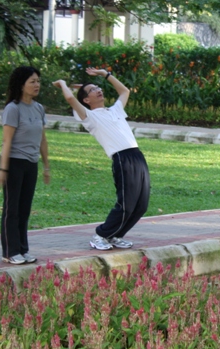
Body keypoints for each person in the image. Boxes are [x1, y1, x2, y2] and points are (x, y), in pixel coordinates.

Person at [52, 67, 150, 251]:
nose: (98, 89)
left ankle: (115, 235)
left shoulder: (115, 110)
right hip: (122, 158)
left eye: (98, 87)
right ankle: (101, 235)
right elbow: (71, 99)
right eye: (92, 90)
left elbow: (124, 91)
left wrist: (105, 74)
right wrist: (63, 84)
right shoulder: (89, 116)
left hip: (137, 155)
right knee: (126, 204)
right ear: (86, 100)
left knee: (141, 205)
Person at [0, 66, 50, 265]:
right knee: (12, 209)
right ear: (21, 84)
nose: (37, 85)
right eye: (32, 81)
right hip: (15, 163)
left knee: (24, 209)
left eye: (38, 81)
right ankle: (10, 251)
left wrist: (46, 166)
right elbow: (6, 141)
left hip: (31, 164)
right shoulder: (13, 109)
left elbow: (42, 139)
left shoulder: (38, 108)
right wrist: (2, 169)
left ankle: (23, 250)